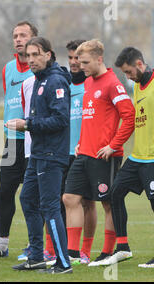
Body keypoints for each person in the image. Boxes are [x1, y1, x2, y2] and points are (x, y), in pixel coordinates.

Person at [98, 47, 154, 268]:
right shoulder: (137, 86)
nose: (127, 77)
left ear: (139, 64)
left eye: (128, 72)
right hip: (138, 157)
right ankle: (123, 248)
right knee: (114, 194)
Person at [61, 39, 135, 267]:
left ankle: (106, 253)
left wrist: (113, 145)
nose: (80, 65)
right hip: (84, 153)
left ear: (99, 59)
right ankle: (73, 253)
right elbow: (90, 118)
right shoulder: (89, 83)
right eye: (78, 61)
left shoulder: (113, 83)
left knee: (107, 204)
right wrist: (81, 142)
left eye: (85, 62)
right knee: (69, 198)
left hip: (105, 156)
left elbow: (129, 116)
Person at [5, 37, 72, 274]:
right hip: (38, 153)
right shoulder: (39, 80)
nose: (31, 59)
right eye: (28, 55)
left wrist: (28, 124)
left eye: (36, 54)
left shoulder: (55, 81)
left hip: (51, 154)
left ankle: (63, 263)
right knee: (27, 199)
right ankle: (36, 257)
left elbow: (61, 120)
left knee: (50, 206)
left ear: (48, 55)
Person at [0, 21, 38, 259]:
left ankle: (35, 246)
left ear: (34, 39)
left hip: (35, 141)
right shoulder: (7, 69)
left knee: (34, 195)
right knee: (5, 192)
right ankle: (1, 246)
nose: (18, 39)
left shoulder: (40, 69)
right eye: (15, 35)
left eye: (23, 35)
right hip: (12, 141)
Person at [55, 39, 97, 265]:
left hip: (86, 153)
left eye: (77, 58)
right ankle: (55, 249)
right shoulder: (62, 83)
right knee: (59, 201)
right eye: (70, 58)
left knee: (88, 203)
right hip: (62, 152)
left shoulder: (93, 84)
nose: (73, 62)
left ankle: (85, 251)